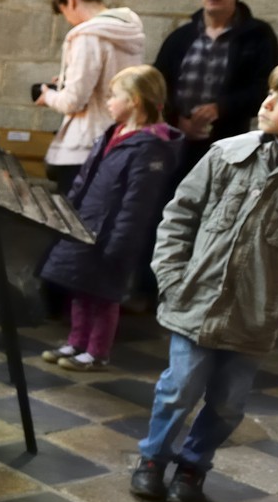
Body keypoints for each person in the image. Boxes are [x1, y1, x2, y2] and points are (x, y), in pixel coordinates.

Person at [130, 57, 278, 502]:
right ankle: (153, 459)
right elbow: (178, 217)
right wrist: (174, 276)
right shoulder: (227, 154)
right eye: (271, 90)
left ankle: (194, 466)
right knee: (179, 387)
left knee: (228, 403)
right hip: (196, 300)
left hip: (255, 317)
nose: (268, 102)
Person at [38, 66, 184, 371]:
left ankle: (97, 352)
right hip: (88, 222)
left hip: (114, 232)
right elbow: (87, 176)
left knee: (103, 294)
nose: (108, 102)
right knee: (80, 287)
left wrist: (121, 241)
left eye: (113, 96)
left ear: (134, 100)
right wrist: (70, 210)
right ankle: (76, 342)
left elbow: (137, 203)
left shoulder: (150, 147)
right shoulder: (114, 133)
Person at [153, 0, 278, 174]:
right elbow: (157, 86)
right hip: (175, 142)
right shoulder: (180, 38)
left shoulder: (258, 36)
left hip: (228, 144)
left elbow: (267, 89)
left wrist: (220, 107)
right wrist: (177, 120)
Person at [36, 0, 145, 195]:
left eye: (63, 11)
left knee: (73, 222)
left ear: (71, 0)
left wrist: (48, 95)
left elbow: (73, 102)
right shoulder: (129, 31)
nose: (69, 20)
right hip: (120, 139)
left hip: (86, 147)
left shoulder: (88, 37)